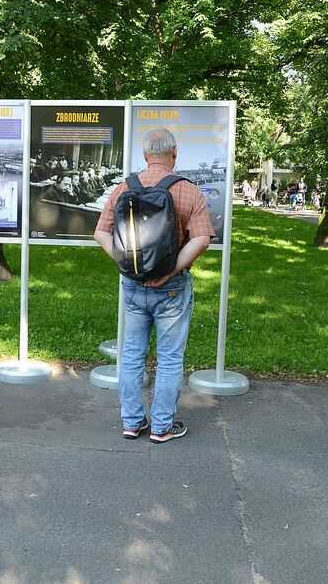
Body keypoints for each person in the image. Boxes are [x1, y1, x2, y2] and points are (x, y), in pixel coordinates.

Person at [94, 129, 214, 443]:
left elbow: (101, 234)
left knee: (132, 355)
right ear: (175, 154)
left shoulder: (123, 188)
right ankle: (161, 427)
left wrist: (125, 263)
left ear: (145, 155)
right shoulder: (189, 192)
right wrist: (171, 270)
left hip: (132, 285)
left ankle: (132, 422)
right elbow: (201, 239)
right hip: (172, 288)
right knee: (170, 358)